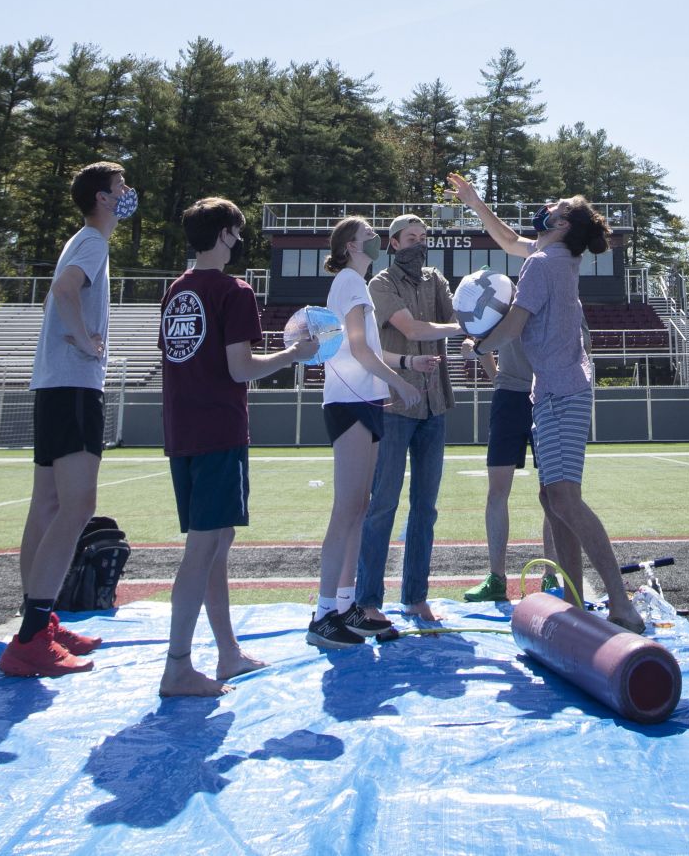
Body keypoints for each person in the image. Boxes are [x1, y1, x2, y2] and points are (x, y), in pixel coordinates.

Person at [447, 174, 645, 632]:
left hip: (558, 392)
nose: (546, 206)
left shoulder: (541, 265)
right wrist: (476, 203)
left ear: (559, 224)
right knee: (553, 497)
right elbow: (511, 239)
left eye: (555, 206)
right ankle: (574, 599)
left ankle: (619, 603)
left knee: (566, 500)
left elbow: (514, 326)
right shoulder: (557, 256)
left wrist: (477, 346)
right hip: (560, 389)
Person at [158, 197, 318, 697]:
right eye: (237, 231)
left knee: (216, 544)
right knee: (203, 547)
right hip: (217, 430)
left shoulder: (175, 292)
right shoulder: (234, 290)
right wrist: (296, 354)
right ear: (225, 233)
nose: (239, 239)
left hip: (182, 430)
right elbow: (241, 369)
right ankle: (178, 665)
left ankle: (226, 652)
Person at [1, 160, 134, 677]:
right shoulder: (93, 243)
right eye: (121, 186)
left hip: (55, 385)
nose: (128, 194)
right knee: (77, 505)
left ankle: (38, 621)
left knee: (48, 504)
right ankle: (33, 635)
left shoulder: (83, 239)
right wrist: (84, 339)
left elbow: (60, 290)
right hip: (73, 384)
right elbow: (62, 290)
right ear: (103, 197)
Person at [309, 215, 428, 648]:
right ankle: (324, 613)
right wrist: (399, 382)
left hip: (365, 400)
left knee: (360, 507)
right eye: (369, 236)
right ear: (350, 247)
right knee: (347, 509)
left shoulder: (354, 282)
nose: (376, 240)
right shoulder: (350, 281)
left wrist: (385, 385)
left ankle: (345, 605)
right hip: (350, 401)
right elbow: (357, 346)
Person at [354, 215, 464, 629]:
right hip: (395, 404)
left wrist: (479, 331)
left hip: (435, 404)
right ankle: (367, 600)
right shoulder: (380, 284)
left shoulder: (435, 280)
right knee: (382, 505)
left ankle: (415, 597)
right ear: (394, 243)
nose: (419, 244)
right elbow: (413, 327)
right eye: (411, 238)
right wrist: (464, 327)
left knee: (426, 508)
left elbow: (458, 316)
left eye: (423, 237)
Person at [461, 315, 589, 602]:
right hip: (509, 399)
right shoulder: (508, 302)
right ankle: (496, 578)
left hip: (547, 396)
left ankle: (551, 575)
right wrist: (498, 380)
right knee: (497, 491)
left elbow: (583, 349)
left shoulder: (564, 299)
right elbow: (479, 342)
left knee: (553, 491)